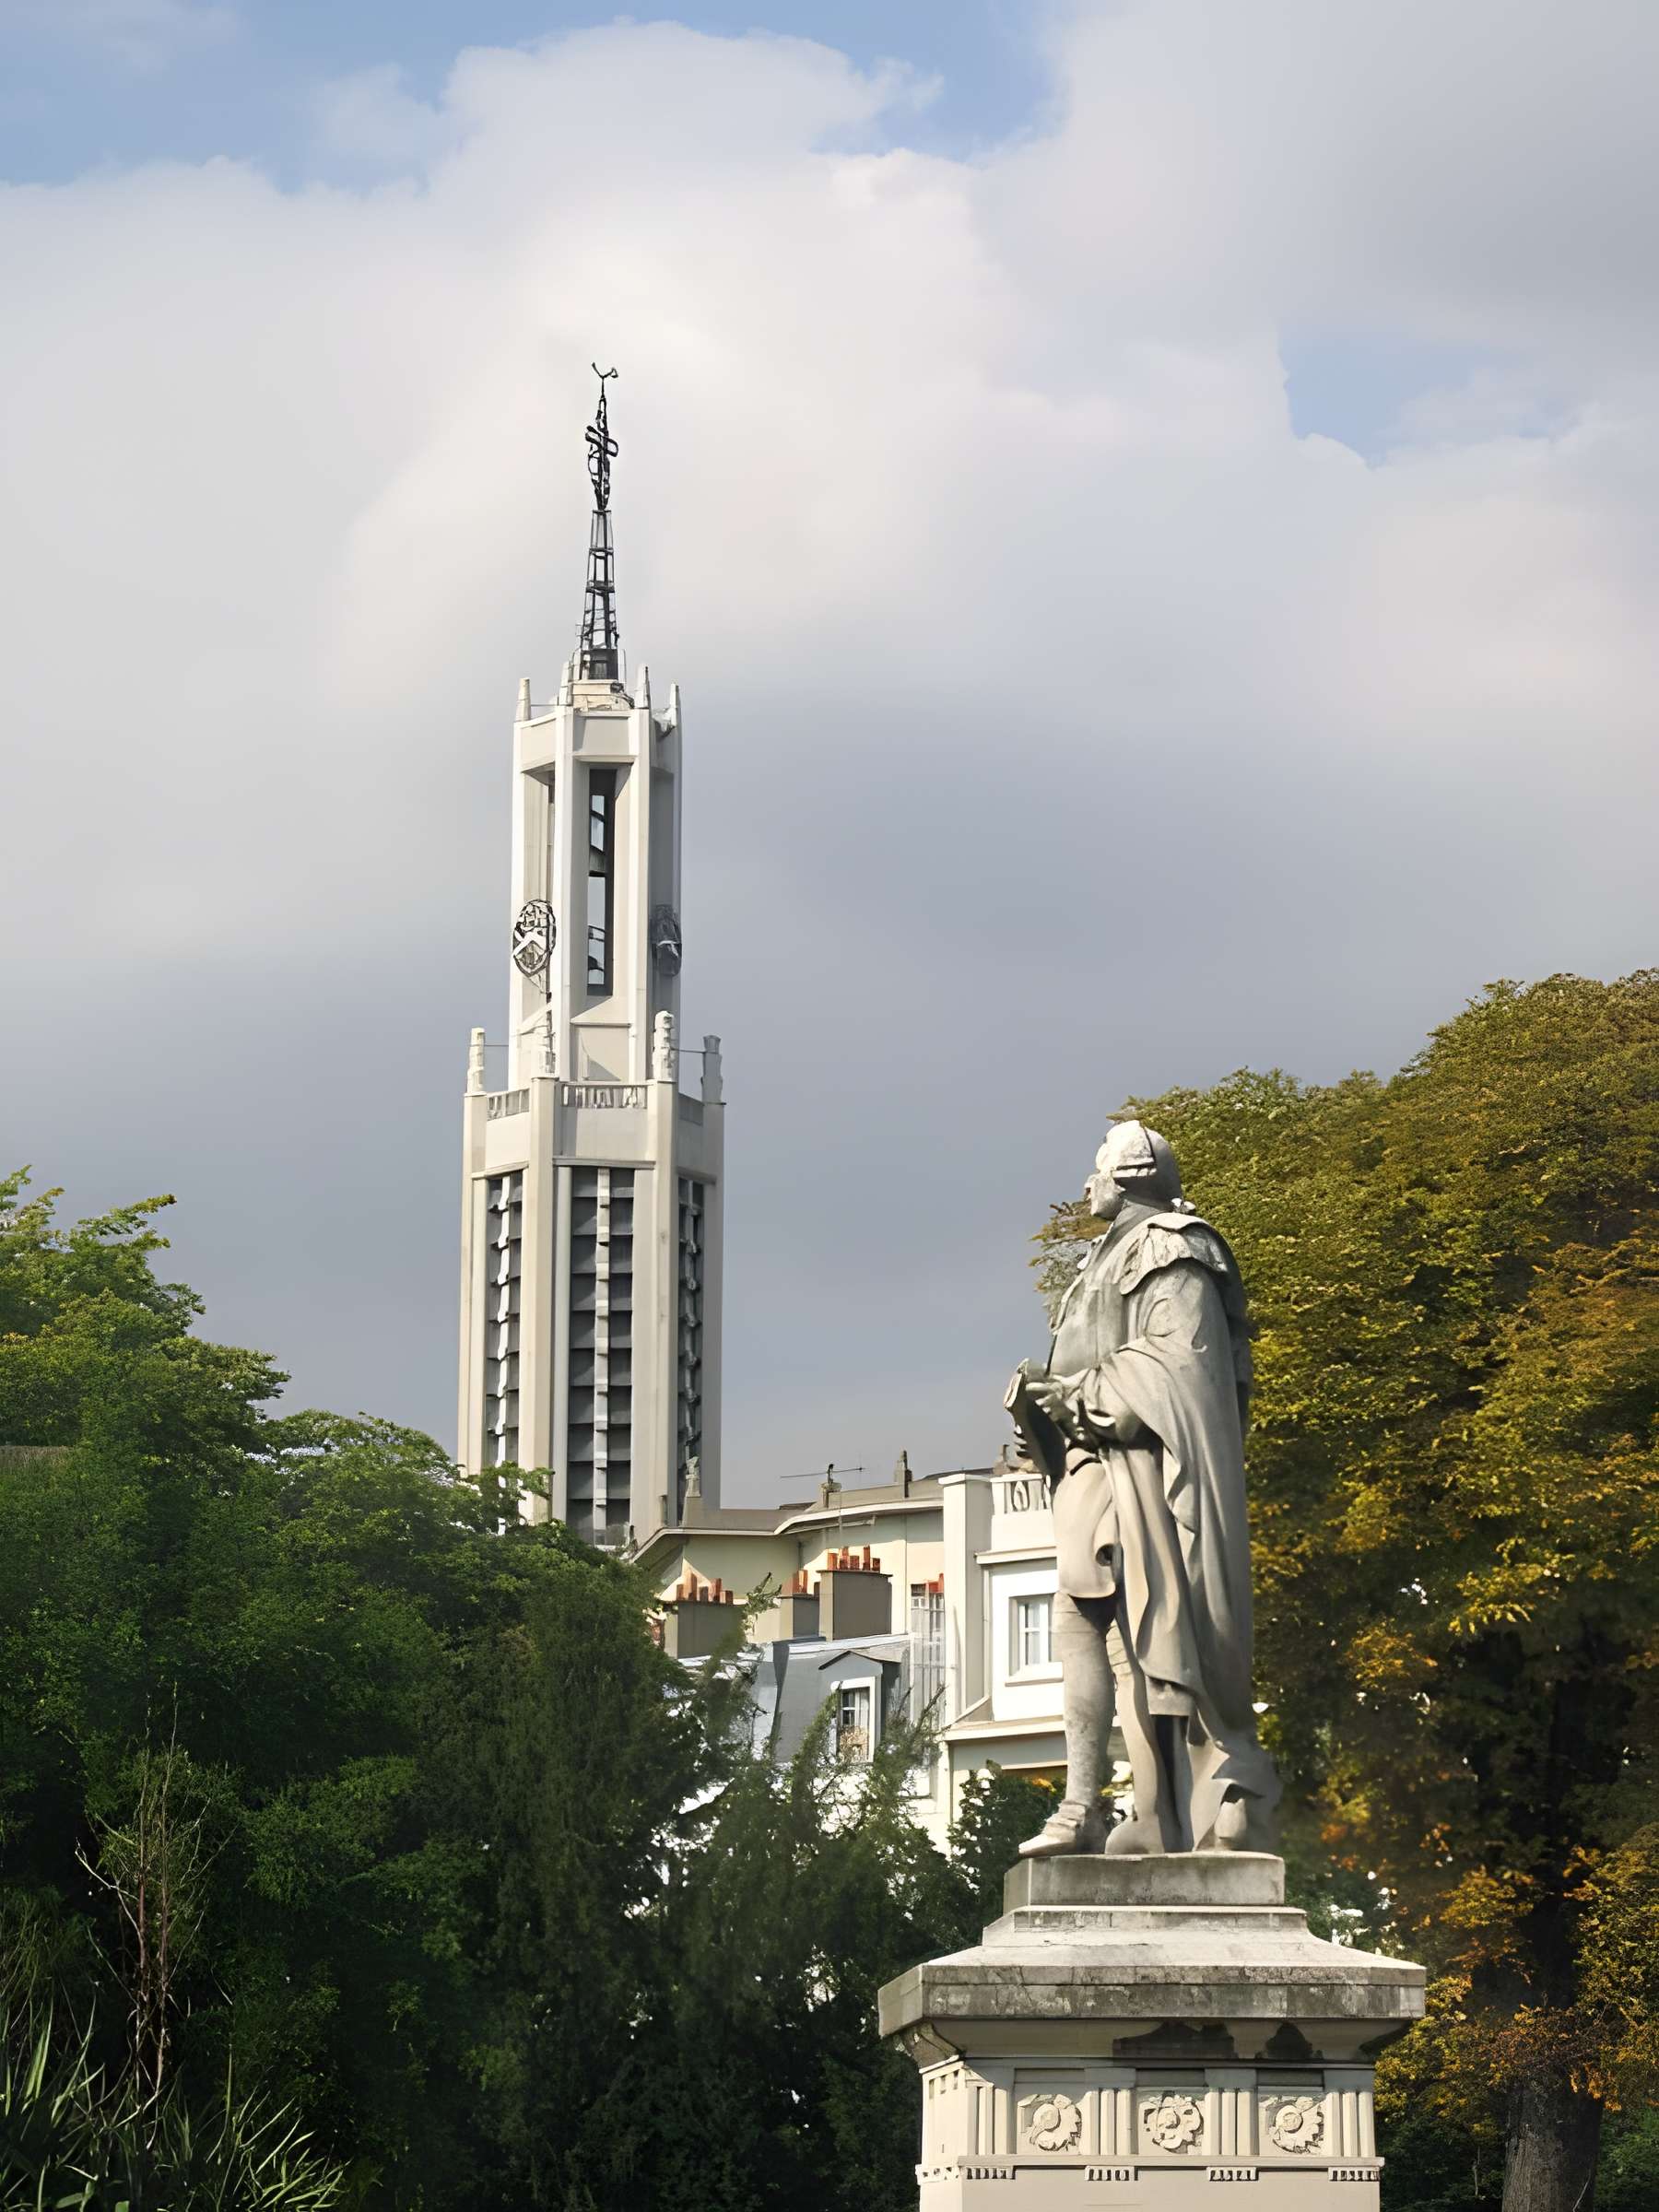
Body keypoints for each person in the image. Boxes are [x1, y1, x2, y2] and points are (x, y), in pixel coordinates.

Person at [1005, 1120, 1279, 1856]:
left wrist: (1073, 1396)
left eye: (1095, 1169)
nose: (1085, 1184)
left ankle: (1092, 1807)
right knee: (1120, 1634)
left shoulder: (1174, 1248)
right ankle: (1145, 1813)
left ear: (1127, 1173)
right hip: (1096, 1469)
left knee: (1095, 1620)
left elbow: (1176, 1369)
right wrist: (1043, 1402)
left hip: (1143, 1474)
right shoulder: (1102, 1258)